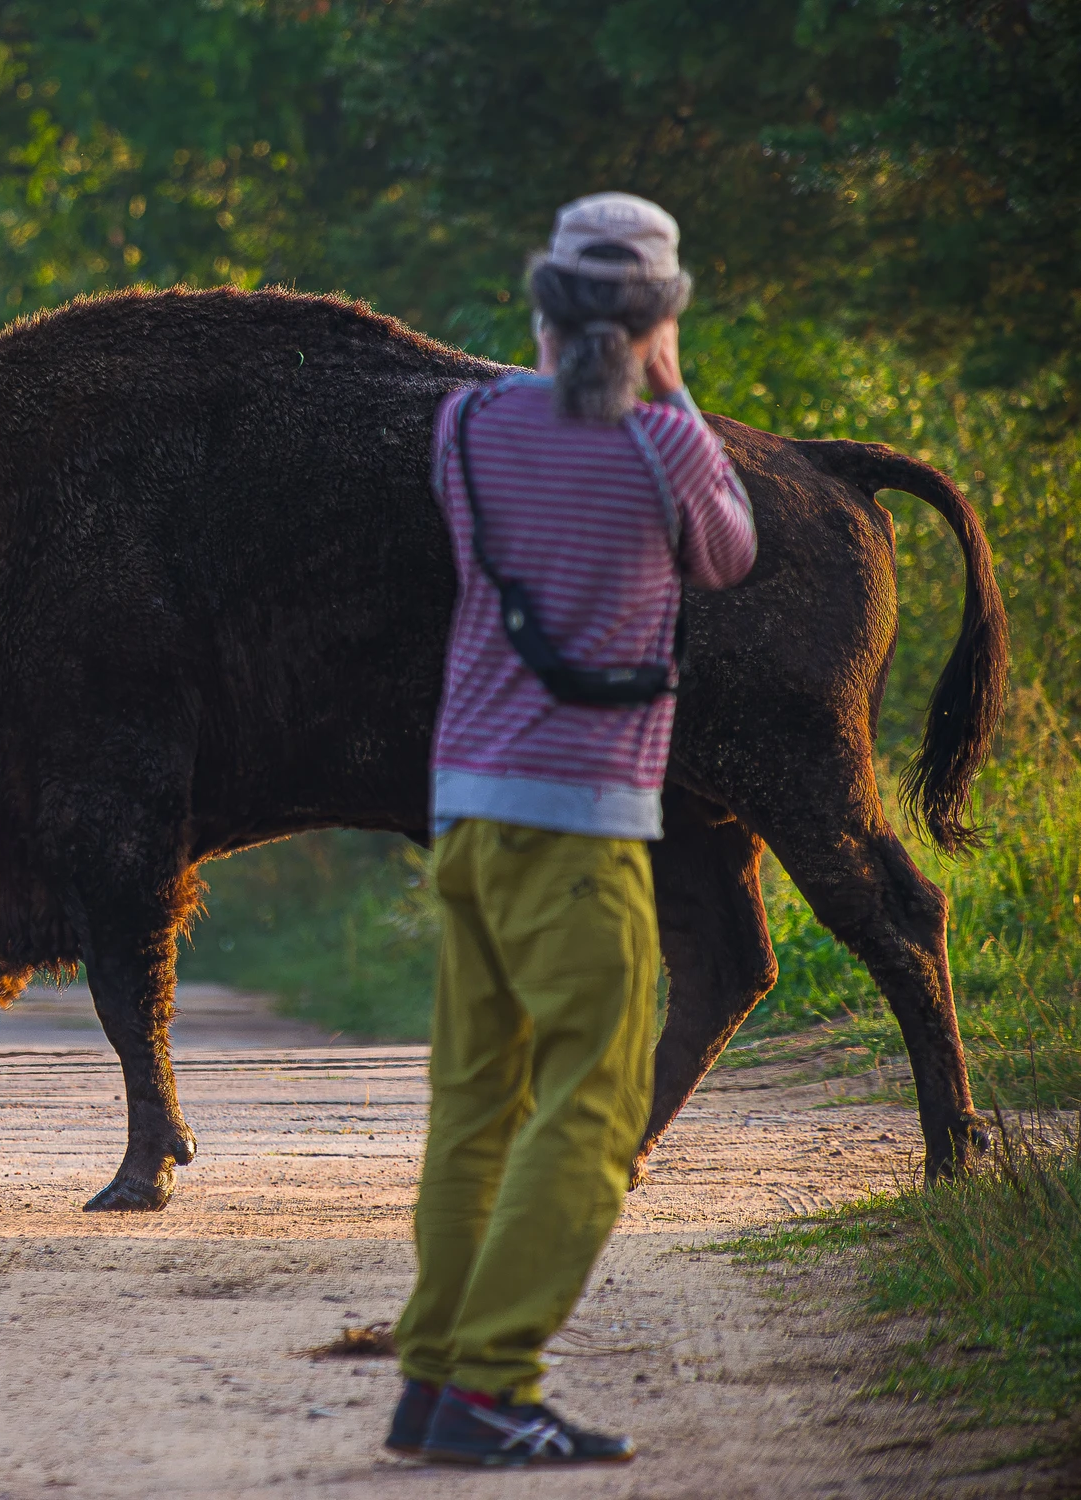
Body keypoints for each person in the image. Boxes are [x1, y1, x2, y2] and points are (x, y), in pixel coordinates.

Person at [384, 194, 758, 1467]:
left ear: (542, 306)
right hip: (583, 825)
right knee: (594, 1114)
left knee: (474, 1103)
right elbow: (729, 557)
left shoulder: (468, 426)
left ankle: (434, 1379)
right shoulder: (665, 446)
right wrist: (674, 388)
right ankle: (493, 1385)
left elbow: (497, 507)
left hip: (469, 819)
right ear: (659, 323)